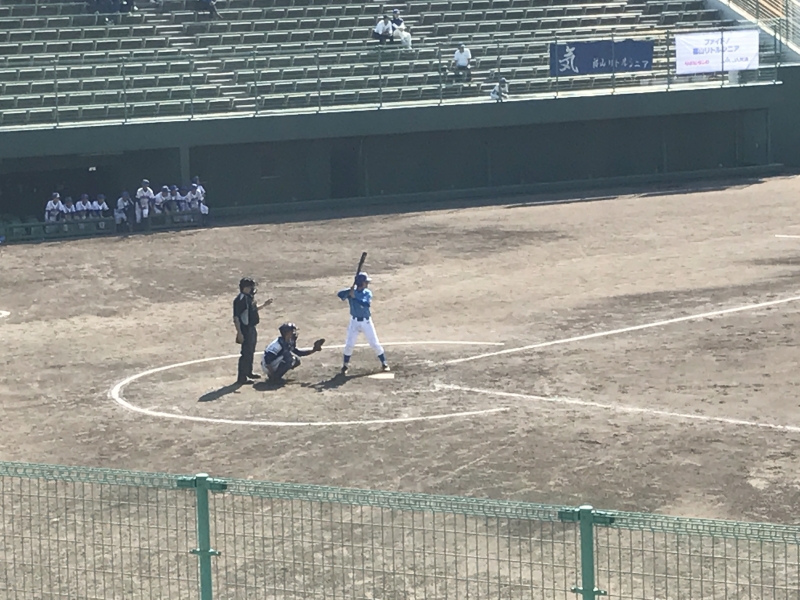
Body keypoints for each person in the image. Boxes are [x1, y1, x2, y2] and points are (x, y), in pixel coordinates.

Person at [337, 272, 389, 374]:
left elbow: (366, 304)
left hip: (366, 322)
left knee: (374, 343)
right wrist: (349, 290)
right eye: (365, 282)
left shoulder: (367, 293)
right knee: (349, 344)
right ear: (361, 283)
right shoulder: (352, 292)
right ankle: (345, 366)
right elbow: (340, 294)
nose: (367, 284)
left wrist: (354, 297)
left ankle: (384, 363)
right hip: (354, 322)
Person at [233, 277, 273, 385]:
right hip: (245, 329)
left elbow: (253, 310)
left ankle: (249, 372)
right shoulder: (240, 300)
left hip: (251, 328)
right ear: (245, 287)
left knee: (250, 351)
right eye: (251, 287)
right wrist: (239, 333)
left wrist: (264, 305)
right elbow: (236, 317)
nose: (253, 289)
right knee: (246, 353)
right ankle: (241, 378)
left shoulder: (248, 298)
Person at [261, 323, 325, 383]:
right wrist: (272, 374)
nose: (294, 332)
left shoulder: (288, 341)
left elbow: (298, 353)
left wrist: (314, 350)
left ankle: (276, 376)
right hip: (267, 365)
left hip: (272, 363)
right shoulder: (277, 345)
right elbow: (267, 359)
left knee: (296, 361)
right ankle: (275, 378)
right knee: (289, 358)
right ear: (287, 333)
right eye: (292, 331)